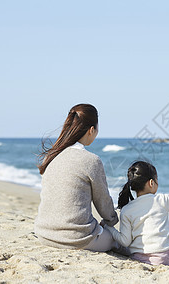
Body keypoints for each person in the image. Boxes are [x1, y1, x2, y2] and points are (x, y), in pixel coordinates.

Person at [34, 103, 120, 252]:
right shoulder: (91, 160)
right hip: (76, 238)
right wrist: (111, 220)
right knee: (117, 241)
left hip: (44, 233)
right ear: (91, 130)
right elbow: (103, 201)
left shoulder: (52, 156)